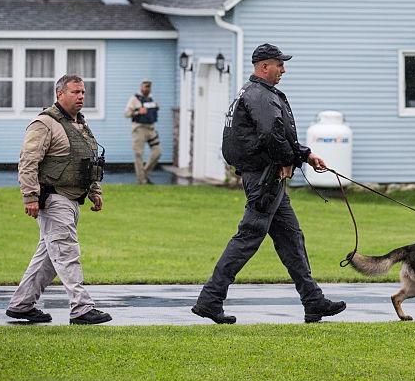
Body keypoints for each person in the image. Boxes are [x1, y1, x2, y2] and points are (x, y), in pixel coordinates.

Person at [191, 43, 346, 325]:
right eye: (279, 64)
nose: (283, 69)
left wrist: (306, 155)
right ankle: (210, 300)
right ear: (264, 66)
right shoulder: (260, 96)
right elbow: (272, 135)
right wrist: (289, 159)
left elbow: (278, 134)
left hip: (266, 175)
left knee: (291, 238)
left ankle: (313, 301)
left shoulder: (254, 94)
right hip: (265, 179)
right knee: (248, 238)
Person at [5, 74, 112, 325]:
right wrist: (30, 196)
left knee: (49, 258)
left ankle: (21, 305)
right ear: (59, 94)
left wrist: (95, 191)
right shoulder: (44, 123)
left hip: (74, 199)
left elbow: (87, 163)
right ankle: (82, 308)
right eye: (75, 92)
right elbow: (28, 162)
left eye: (83, 92)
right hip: (54, 198)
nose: (81, 97)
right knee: (66, 252)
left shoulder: (81, 126)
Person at [123, 79, 162, 184]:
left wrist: (156, 107)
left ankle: (144, 173)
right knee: (139, 154)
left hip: (151, 129)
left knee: (157, 152)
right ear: (141, 87)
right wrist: (137, 111)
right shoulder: (134, 99)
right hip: (139, 129)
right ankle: (142, 181)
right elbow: (126, 113)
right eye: (145, 86)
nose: (147, 88)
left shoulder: (150, 99)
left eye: (149, 86)